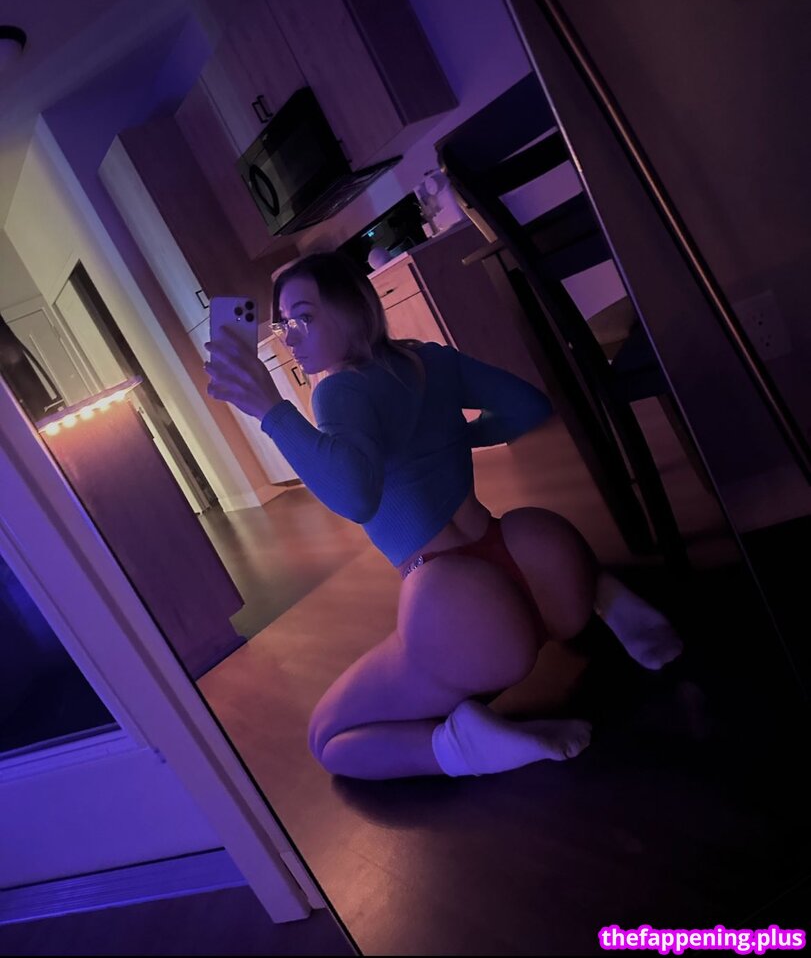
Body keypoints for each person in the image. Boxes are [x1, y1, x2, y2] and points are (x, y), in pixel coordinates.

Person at [204, 251, 682, 781]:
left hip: (458, 602)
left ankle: (464, 744)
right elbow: (528, 405)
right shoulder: (426, 358)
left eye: (305, 317)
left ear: (353, 310)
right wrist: (460, 437)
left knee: (328, 739)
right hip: (535, 554)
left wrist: (270, 411)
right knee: (533, 557)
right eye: (285, 323)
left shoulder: (337, 389)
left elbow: (355, 496)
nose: (291, 337)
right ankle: (605, 596)